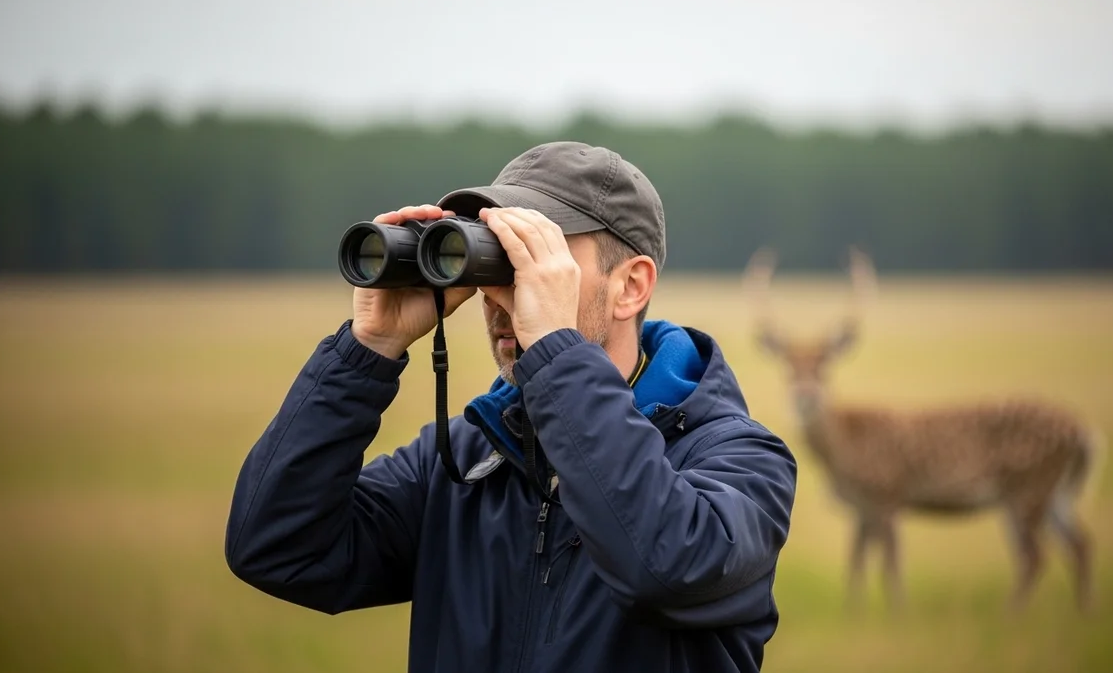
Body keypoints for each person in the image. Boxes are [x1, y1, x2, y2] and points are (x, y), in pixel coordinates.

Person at [224, 141, 798, 673]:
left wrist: (554, 351)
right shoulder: (465, 460)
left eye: (536, 257)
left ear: (630, 287)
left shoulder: (741, 461)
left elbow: (663, 565)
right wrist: (366, 348)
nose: (503, 296)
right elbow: (276, 547)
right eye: (493, 256)